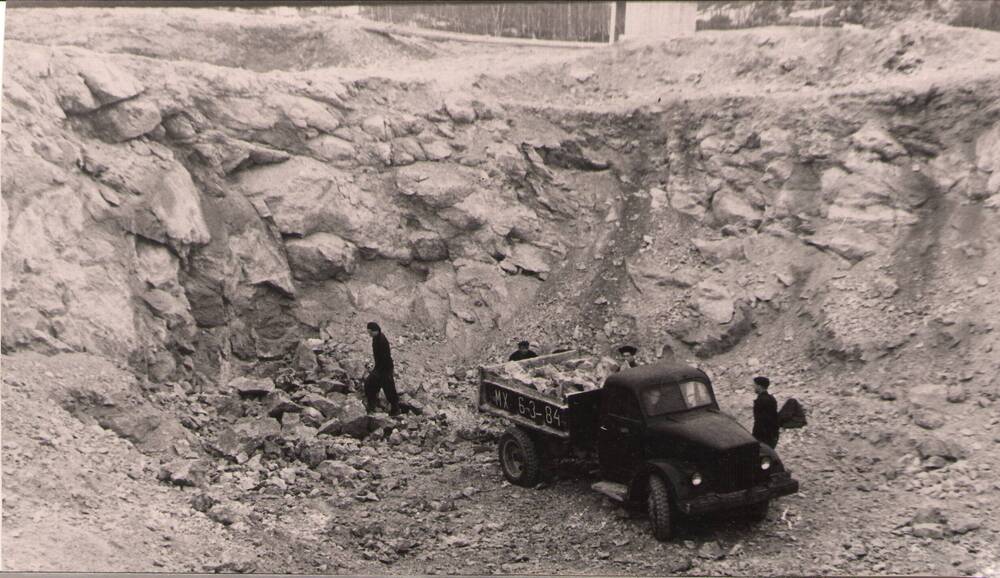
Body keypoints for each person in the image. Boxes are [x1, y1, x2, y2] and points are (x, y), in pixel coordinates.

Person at [365, 322, 400, 416]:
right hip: (380, 368)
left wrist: (378, 371)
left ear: (375, 331)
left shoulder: (381, 340)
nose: (369, 334)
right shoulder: (376, 338)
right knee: (369, 383)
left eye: (370, 332)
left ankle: (395, 409)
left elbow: (384, 358)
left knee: (389, 388)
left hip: (385, 368)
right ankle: (372, 404)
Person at [752, 376, 779, 449]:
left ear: (759, 386)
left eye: (755, 385)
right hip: (772, 434)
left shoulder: (760, 400)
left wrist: (755, 437)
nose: (753, 387)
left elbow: (759, 421)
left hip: (763, 436)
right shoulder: (771, 398)